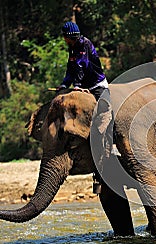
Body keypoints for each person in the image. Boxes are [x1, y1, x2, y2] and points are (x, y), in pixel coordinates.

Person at [57, 21, 119, 194]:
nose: (64, 40)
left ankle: (113, 144)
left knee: (106, 113)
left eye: (64, 37)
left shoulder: (84, 44)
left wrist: (76, 84)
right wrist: (64, 84)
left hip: (97, 85)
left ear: (69, 37)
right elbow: (71, 68)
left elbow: (81, 64)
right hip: (82, 85)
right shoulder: (72, 48)